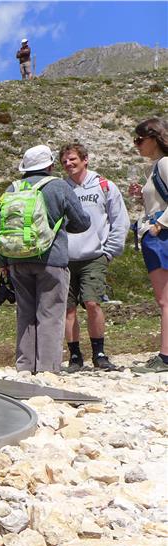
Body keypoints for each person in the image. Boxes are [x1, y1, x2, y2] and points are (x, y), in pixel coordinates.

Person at [0, 145, 90, 374]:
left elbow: (1, 227)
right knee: (50, 314)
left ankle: (25, 367)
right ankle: (48, 369)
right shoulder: (58, 186)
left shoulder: (12, 188)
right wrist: (60, 225)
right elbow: (82, 222)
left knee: (25, 314)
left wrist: (4, 263)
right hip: (51, 259)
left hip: (16, 259)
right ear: (50, 165)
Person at [59, 143, 127, 371]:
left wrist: (109, 252)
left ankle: (99, 353)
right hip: (66, 258)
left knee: (92, 303)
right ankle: (75, 356)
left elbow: (119, 220)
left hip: (95, 256)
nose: (68, 164)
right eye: (64, 161)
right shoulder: (61, 188)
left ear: (85, 159)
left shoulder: (104, 186)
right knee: (68, 308)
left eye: (73, 159)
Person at [127, 118, 168, 373]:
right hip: (159, 235)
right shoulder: (156, 167)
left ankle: (165, 357)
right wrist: (142, 196)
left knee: (165, 300)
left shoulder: (163, 164)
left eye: (139, 140)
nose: (137, 145)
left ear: (154, 138)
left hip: (161, 237)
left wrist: (159, 225)